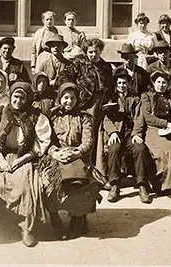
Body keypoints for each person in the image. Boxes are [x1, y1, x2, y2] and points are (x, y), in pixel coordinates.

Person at [0, 82, 52, 247]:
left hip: (25, 157)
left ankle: (26, 228)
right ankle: (3, 224)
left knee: (25, 186)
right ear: (11, 96)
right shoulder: (2, 113)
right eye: (15, 96)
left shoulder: (36, 116)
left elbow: (41, 143)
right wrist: (0, 160)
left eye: (22, 97)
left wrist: (20, 161)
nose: (18, 100)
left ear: (27, 99)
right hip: (2, 155)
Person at [46, 83, 103, 239]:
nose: (69, 101)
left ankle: (78, 218)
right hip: (57, 156)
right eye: (65, 98)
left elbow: (88, 142)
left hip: (78, 156)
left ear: (77, 99)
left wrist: (76, 153)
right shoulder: (53, 116)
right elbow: (46, 140)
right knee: (47, 182)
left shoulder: (84, 117)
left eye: (72, 98)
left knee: (80, 183)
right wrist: (55, 152)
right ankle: (54, 217)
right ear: (60, 98)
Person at [138, 70, 171, 204]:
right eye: (158, 82)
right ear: (153, 83)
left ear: (168, 84)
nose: (161, 85)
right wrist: (165, 123)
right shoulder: (147, 96)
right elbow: (148, 117)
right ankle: (170, 189)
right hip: (153, 131)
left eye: (164, 82)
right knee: (168, 151)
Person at [103, 69, 153, 204]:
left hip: (130, 133)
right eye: (119, 83)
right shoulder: (111, 99)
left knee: (140, 148)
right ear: (116, 84)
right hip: (117, 133)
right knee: (114, 148)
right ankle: (114, 184)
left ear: (128, 84)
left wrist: (137, 133)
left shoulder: (135, 99)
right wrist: (112, 132)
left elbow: (139, 118)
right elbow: (106, 119)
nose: (121, 85)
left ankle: (142, 185)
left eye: (124, 83)